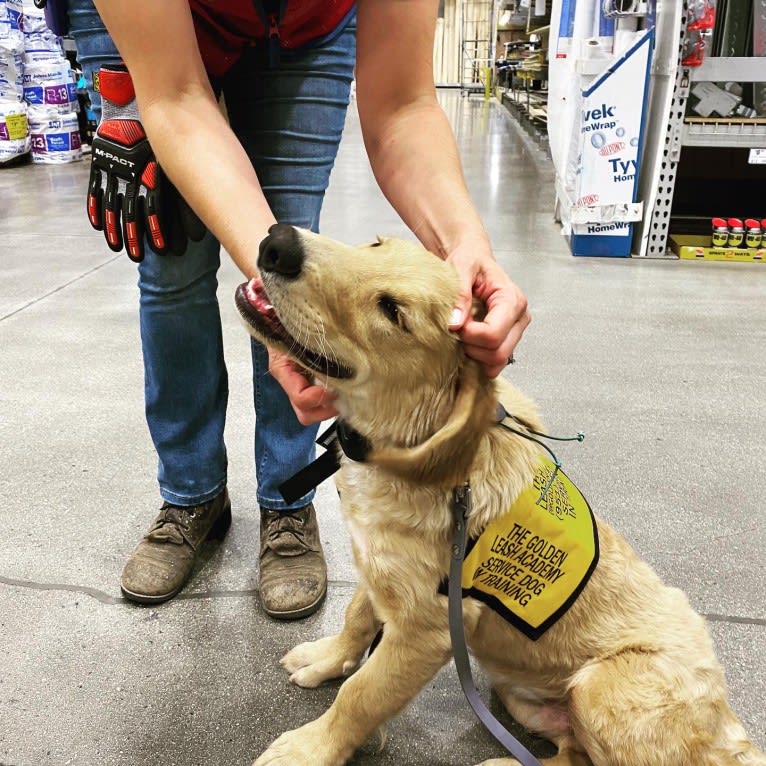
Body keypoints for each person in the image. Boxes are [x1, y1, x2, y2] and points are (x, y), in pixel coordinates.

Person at [76, 0, 531, 617]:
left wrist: (464, 242)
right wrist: (282, 293)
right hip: (158, 35)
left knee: (298, 244)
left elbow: (400, 104)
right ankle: (191, 493)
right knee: (171, 266)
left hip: (306, 35)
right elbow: (177, 95)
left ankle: (287, 502)